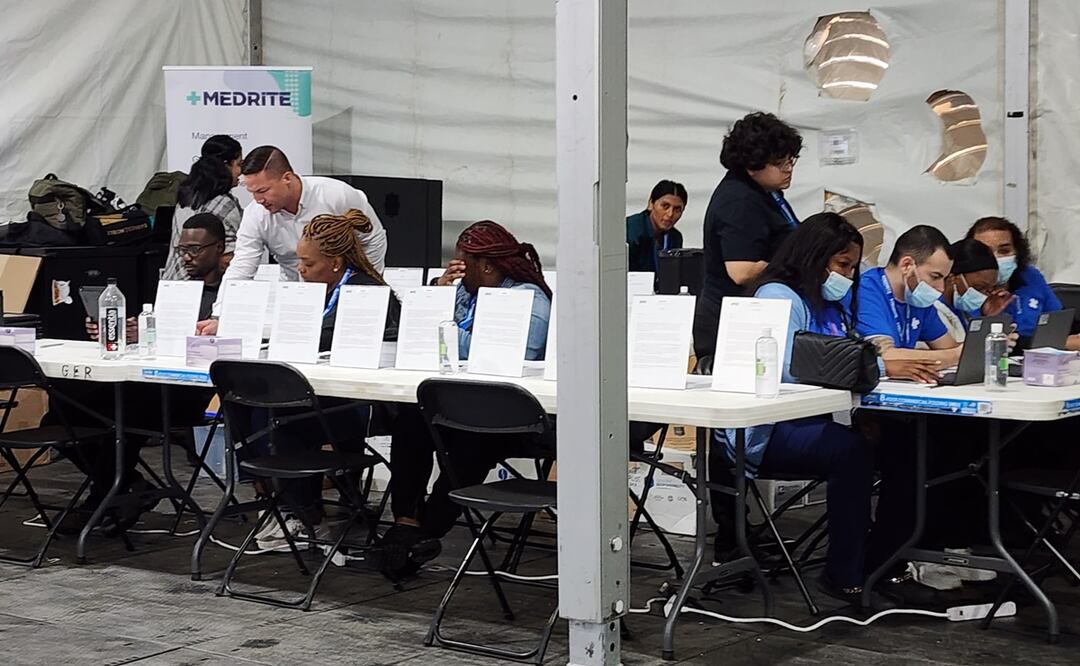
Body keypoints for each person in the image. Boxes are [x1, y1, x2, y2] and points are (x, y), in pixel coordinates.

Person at [713, 212, 928, 604]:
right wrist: (880, 367)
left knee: (906, 444)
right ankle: (843, 573)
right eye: (842, 264)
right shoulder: (777, 296)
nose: (848, 275)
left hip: (817, 419)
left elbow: (846, 353)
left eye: (853, 267)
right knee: (851, 452)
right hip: (768, 428)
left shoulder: (832, 302)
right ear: (815, 257)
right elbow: (788, 366)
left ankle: (882, 560)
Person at [375, 221, 553, 578]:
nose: (457, 271)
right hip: (465, 401)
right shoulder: (467, 292)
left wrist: (439, 329)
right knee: (412, 419)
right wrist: (438, 296)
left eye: (463, 264)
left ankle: (429, 528)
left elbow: (519, 351)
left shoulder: (528, 299)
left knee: (470, 441)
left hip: (512, 415)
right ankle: (406, 521)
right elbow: (441, 337)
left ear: (485, 266)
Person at [55, 215, 230, 535]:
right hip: (149, 379)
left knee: (128, 413)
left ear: (219, 248)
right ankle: (128, 486)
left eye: (195, 249)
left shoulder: (232, 295)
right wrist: (130, 332)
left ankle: (103, 497)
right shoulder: (176, 290)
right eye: (182, 250)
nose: (187, 257)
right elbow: (156, 335)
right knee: (61, 413)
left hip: (192, 390)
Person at [240, 210, 400, 549]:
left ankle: (302, 515)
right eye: (300, 261)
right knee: (247, 406)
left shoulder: (367, 293)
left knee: (281, 419)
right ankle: (285, 503)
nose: (300, 269)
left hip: (367, 401)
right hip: (328, 394)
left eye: (308, 263)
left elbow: (334, 341)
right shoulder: (318, 292)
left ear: (336, 263)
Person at [197, 145, 387, 335]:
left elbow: (373, 238)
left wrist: (367, 286)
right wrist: (220, 316)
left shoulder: (336, 195)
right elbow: (241, 266)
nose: (258, 200)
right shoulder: (255, 214)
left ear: (287, 178)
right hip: (295, 294)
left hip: (343, 290)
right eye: (252, 192)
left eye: (263, 190)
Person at [694, 112, 803, 360]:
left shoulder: (768, 191)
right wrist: (795, 263)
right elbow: (741, 271)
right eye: (780, 163)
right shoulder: (740, 200)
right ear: (752, 165)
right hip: (732, 324)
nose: (788, 169)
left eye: (791, 160)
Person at [855, 225, 961, 372]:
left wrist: (956, 354)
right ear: (907, 265)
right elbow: (886, 356)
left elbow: (949, 347)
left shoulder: (918, 298)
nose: (941, 288)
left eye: (944, 279)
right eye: (935, 277)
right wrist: (955, 355)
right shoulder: (866, 290)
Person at [966, 216, 1080, 349]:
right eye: (985, 252)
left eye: (1004, 251)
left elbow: (1061, 323)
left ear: (1018, 252)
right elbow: (976, 344)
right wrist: (1060, 343)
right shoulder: (965, 290)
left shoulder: (1031, 276)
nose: (996, 259)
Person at [162, 135, 243, 280]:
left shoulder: (185, 199)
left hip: (174, 280)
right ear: (226, 165)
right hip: (203, 285)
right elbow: (229, 257)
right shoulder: (224, 204)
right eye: (239, 164)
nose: (241, 171)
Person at [932, 238, 1013, 342]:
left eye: (990, 289)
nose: (984, 295)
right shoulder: (932, 311)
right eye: (979, 287)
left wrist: (988, 318)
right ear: (952, 278)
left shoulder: (968, 310)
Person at [626, 180, 686, 273]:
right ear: (651, 204)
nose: (670, 214)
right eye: (665, 206)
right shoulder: (631, 230)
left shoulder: (675, 237)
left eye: (677, 209)